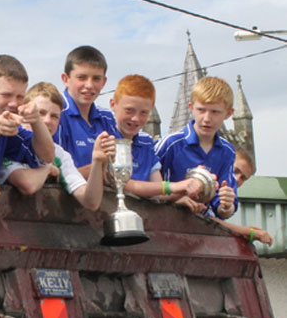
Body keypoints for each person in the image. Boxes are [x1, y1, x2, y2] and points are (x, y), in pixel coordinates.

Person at [0, 82, 116, 211]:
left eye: (54, 116)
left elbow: (91, 202)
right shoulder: (9, 142)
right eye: (40, 113)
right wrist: (48, 169)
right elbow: (27, 184)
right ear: (23, 112)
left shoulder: (59, 154)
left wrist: (97, 161)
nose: (47, 120)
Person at [110, 74, 204, 207]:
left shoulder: (146, 142)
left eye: (143, 113)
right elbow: (120, 184)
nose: (136, 118)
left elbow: (157, 190)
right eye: (129, 110)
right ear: (113, 104)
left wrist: (190, 188)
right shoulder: (105, 138)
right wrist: (175, 187)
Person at [155, 76, 237, 219]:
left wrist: (227, 205)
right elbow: (143, 185)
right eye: (201, 110)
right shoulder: (171, 144)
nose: (206, 118)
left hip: (199, 228)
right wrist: (175, 200)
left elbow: (223, 211)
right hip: (162, 220)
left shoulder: (227, 151)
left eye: (215, 112)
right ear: (191, 107)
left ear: (229, 113)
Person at [55, 45, 117, 177]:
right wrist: (99, 166)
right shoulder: (55, 113)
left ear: (104, 82)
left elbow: (120, 167)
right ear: (65, 79)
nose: (89, 85)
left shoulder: (107, 118)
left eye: (96, 78)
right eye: (82, 77)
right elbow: (54, 174)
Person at [212, 149, 273, 245]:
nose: (237, 179)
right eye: (235, 171)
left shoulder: (232, 198)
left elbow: (218, 217)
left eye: (243, 178)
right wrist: (248, 231)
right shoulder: (204, 182)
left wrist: (226, 207)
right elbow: (205, 219)